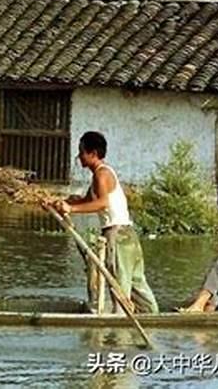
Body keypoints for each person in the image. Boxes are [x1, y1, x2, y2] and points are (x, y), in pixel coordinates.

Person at [49, 131, 159, 314]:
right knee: (136, 284)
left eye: (81, 152)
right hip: (126, 236)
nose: (79, 156)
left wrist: (71, 209)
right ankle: (153, 316)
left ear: (93, 154)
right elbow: (86, 200)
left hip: (118, 236)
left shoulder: (102, 174)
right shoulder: (99, 175)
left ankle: (122, 328)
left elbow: (102, 203)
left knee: (120, 287)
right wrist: (61, 203)